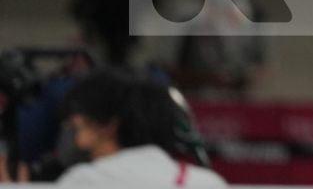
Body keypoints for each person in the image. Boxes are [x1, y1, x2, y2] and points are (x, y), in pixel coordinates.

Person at [0, 68, 226, 187]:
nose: (73, 139)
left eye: (76, 126)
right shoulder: (206, 183)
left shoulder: (86, 181)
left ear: (108, 126)